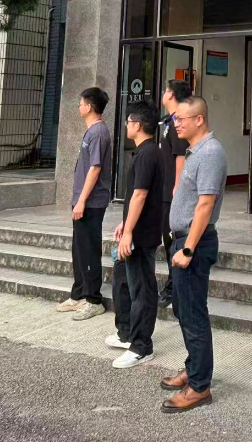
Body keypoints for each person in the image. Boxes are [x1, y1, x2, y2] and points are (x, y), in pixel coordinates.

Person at [159, 96, 227, 413]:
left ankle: (199, 386)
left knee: (193, 313)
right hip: (184, 241)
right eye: (175, 119)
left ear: (199, 119)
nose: (176, 124)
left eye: (181, 119)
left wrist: (188, 249)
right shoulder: (195, 151)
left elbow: (205, 205)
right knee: (183, 310)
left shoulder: (210, 152)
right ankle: (193, 368)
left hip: (194, 244)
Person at [105, 102, 165, 369]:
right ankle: (127, 333)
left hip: (141, 235)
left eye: (128, 121)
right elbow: (135, 197)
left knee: (142, 289)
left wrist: (129, 231)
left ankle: (142, 346)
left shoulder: (148, 153)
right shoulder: (146, 152)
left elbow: (140, 194)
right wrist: (124, 223)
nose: (126, 125)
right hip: (134, 229)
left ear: (137, 125)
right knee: (123, 279)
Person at [57, 87, 112, 321]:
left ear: (89, 107)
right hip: (82, 200)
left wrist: (81, 201)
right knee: (79, 249)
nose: (78, 107)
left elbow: (95, 169)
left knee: (89, 249)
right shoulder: (92, 131)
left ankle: (93, 300)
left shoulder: (98, 132)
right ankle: (78, 293)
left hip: (91, 202)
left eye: (80, 103)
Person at [158, 80, 191, 308]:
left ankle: (173, 288)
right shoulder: (170, 121)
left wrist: (177, 188)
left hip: (172, 193)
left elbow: (180, 156)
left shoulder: (178, 120)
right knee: (167, 239)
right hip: (165, 191)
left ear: (170, 95)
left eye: (165, 91)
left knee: (172, 241)